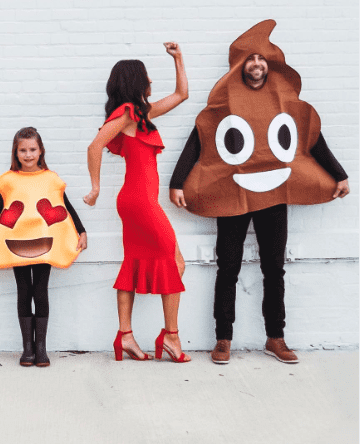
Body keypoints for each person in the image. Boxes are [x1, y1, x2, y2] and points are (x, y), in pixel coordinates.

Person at [169, 20, 350, 364]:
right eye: (250, 59)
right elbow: (201, 139)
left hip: (274, 194)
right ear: (240, 66)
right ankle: (223, 339)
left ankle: (276, 338)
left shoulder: (284, 99)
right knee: (228, 267)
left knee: (274, 268)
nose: (257, 64)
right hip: (231, 195)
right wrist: (177, 181)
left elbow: (310, 138)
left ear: (269, 64)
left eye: (262, 59)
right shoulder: (224, 102)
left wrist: (338, 174)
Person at [84, 43, 190, 363]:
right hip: (140, 202)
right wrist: (95, 187)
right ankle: (170, 337)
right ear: (134, 81)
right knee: (176, 263)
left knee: (135, 265)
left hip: (138, 201)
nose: (151, 82)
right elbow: (94, 146)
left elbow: (182, 94)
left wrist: (179, 59)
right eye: (146, 77)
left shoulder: (140, 114)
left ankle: (126, 337)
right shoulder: (127, 113)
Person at [0, 127, 87, 367]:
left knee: (41, 290)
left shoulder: (50, 179)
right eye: (23, 150)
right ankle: (27, 349)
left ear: (40, 150)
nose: (28, 154)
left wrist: (81, 230)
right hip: (18, 245)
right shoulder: (9, 181)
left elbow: (64, 206)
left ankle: (41, 349)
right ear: (16, 152)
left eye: (32, 149)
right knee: (23, 290)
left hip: (44, 245)